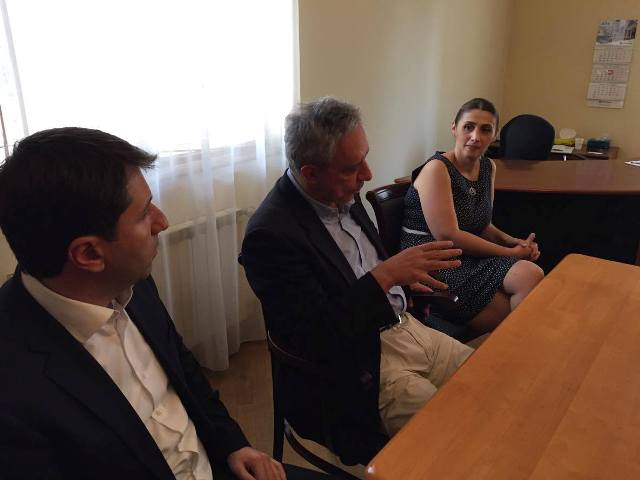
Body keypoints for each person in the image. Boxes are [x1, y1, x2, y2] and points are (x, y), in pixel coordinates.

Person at [0, 127, 328, 480]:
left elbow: (183, 368)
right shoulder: (12, 391)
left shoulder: (130, 281)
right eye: (144, 214)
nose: (162, 221)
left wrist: (232, 444)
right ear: (89, 254)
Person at [241, 97, 473, 464]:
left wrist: (402, 282)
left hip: (404, 328)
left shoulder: (341, 192)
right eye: (352, 167)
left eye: (365, 157)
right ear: (310, 173)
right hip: (352, 365)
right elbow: (317, 337)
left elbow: (357, 267)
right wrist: (386, 276)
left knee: (489, 384)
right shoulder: (269, 236)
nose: (367, 173)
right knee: (452, 435)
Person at [400, 98, 544, 333]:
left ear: (494, 135)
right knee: (517, 314)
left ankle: (516, 344)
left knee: (531, 274)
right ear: (454, 128)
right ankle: (514, 345)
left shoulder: (488, 167)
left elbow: (483, 225)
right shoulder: (437, 168)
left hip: (466, 255)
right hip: (435, 260)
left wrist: (514, 242)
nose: (475, 136)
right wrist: (510, 253)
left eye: (485, 129)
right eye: (468, 127)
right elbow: (448, 235)